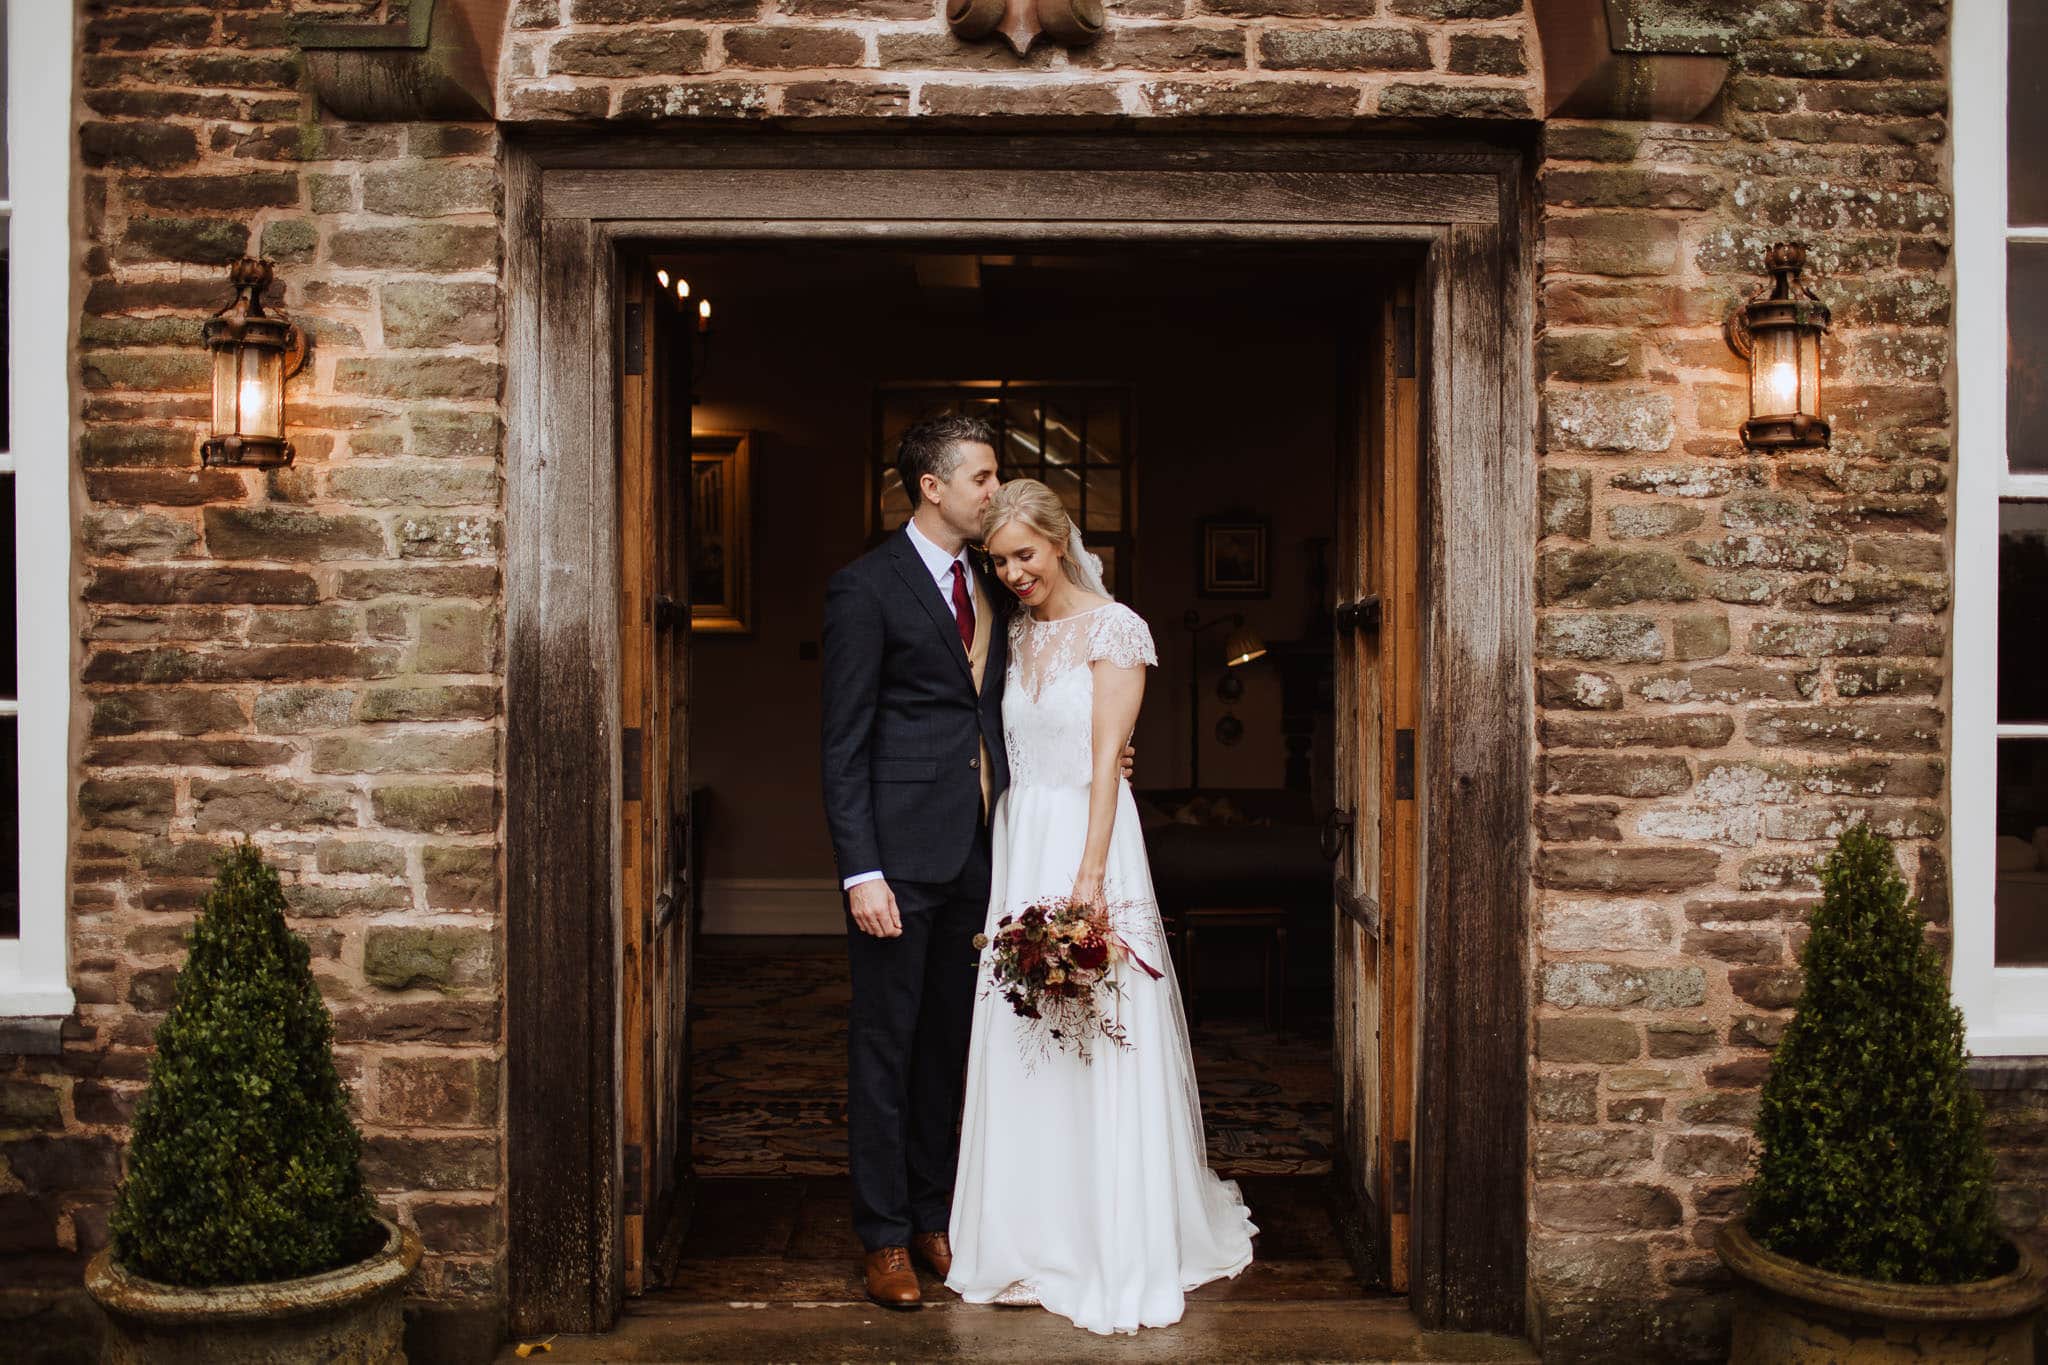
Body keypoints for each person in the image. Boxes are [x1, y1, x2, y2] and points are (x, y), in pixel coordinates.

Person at [819, 416, 1136, 1308]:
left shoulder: (999, 586)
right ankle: (882, 1238)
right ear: (933, 485)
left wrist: (1096, 750)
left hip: (984, 852)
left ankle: (932, 1215)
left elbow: (1026, 698)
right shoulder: (865, 588)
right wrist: (859, 869)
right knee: (884, 1042)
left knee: (953, 1046)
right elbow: (841, 744)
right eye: (984, 476)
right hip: (896, 860)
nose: (995, 490)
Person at [945, 478, 1256, 1335]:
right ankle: (1025, 1232)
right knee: (1020, 1025)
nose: (1013, 573)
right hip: (1021, 837)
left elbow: (1108, 755)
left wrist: (1087, 877)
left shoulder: (1119, 629)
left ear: (1059, 539)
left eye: (1025, 555)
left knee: (1093, 1022)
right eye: (999, 559)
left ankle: (1107, 1235)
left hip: (1090, 839)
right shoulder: (1011, 633)